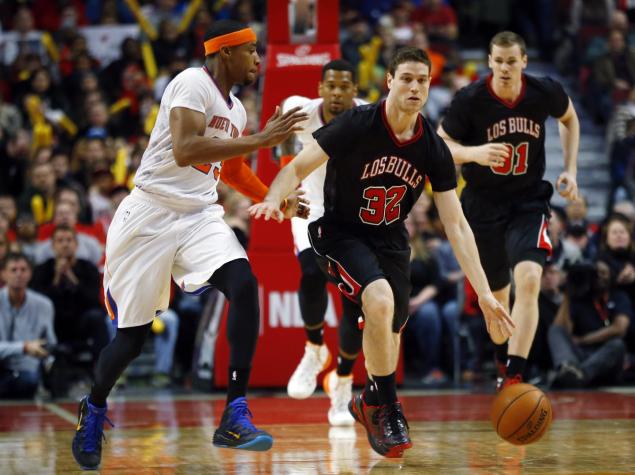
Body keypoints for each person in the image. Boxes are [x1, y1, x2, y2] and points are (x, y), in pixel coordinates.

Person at [249, 46, 514, 458]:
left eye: (422, 80)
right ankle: (387, 406)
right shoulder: (358, 122)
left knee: (389, 329)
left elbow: (457, 225)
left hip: (390, 239)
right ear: (389, 81)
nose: (413, 86)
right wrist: (273, 198)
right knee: (378, 297)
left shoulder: (433, 147)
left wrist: (484, 294)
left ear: (429, 87)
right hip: (337, 230)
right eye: (405, 78)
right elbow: (295, 167)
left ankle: (367, 400)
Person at [71, 20, 308, 470]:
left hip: (199, 215)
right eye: (251, 51)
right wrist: (261, 139)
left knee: (244, 283)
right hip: (150, 214)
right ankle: (95, 405)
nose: (258, 59)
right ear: (225, 54)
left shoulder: (236, 110)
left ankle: (235, 412)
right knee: (131, 340)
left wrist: (277, 199)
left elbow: (233, 170)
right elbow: (185, 149)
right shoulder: (190, 82)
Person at [437, 31, 581, 390]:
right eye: (498, 61)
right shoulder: (470, 100)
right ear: (489, 62)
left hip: (527, 200)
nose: (504, 67)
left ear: (524, 62)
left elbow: (570, 119)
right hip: (481, 204)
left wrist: (571, 169)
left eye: (511, 61)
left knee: (529, 280)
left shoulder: (542, 91)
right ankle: (503, 360)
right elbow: (440, 144)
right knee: (498, 299)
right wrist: (474, 154)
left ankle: (516, 375)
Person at [280, 59, 366, 426]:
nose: (336, 93)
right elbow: (278, 142)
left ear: (354, 90)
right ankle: (314, 349)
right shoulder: (298, 109)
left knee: (355, 303)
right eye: (330, 85)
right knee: (311, 273)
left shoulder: (371, 117)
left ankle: (343, 380)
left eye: (344, 86)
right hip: (311, 209)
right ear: (320, 88)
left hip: (357, 218)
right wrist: (283, 186)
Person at [548, 260, 630, 387]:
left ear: (611, 276)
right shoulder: (579, 298)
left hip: (606, 355)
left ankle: (579, 375)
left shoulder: (618, 296)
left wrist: (583, 340)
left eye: (604, 273)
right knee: (555, 330)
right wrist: (568, 294)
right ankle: (568, 369)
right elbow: (564, 330)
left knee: (618, 345)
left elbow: (619, 328)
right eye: (596, 274)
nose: (600, 277)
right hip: (582, 355)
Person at [0, 252, 56, 399]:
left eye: (23, 270)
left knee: (29, 380)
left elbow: (50, 342)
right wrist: (24, 347)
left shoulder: (44, 304)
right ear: (3, 274)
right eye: (13, 270)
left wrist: (42, 349)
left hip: (27, 366)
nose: (19, 274)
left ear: (30, 274)